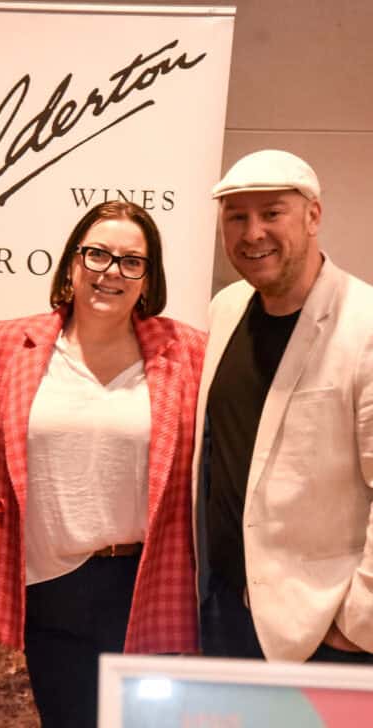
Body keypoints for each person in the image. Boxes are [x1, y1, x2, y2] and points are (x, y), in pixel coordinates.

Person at [0, 201, 206, 728]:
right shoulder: (6, 345)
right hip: (49, 588)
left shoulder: (188, 352)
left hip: (145, 586)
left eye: (131, 261)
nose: (111, 271)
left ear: (148, 278)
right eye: (97, 254)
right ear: (73, 263)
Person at [194, 149, 373, 663]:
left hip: (321, 630)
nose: (253, 234)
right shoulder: (225, 309)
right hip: (224, 611)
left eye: (272, 213)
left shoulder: (364, 325)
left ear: (313, 215)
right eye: (236, 217)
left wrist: (357, 622)